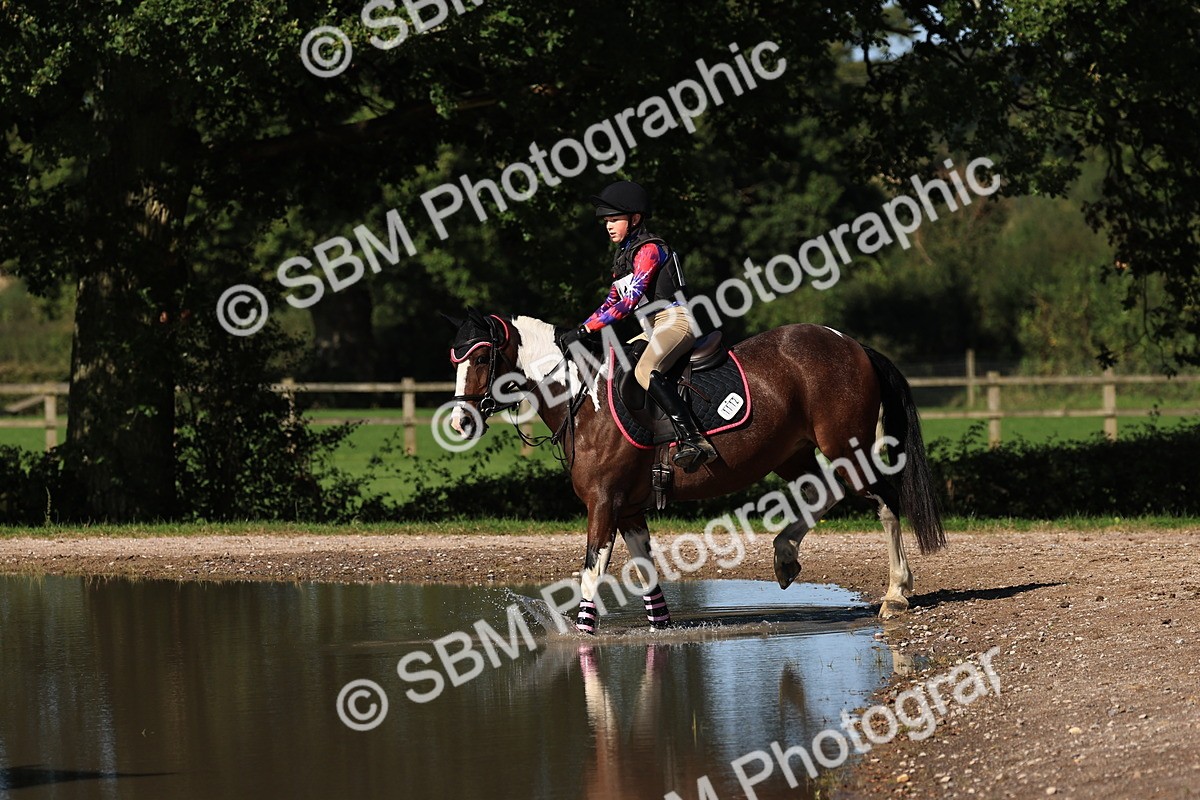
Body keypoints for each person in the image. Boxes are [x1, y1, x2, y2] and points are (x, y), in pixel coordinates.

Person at [558, 180, 717, 472]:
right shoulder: (625, 257)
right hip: (652, 326)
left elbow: (628, 303)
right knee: (617, 364)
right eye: (606, 221)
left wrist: (586, 330)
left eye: (614, 219)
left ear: (635, 219)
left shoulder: (650, 250)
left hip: (675, 321)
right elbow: (610, 303)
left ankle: (694, 439)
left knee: (645, 370)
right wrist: (578, 330)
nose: (608, 226)